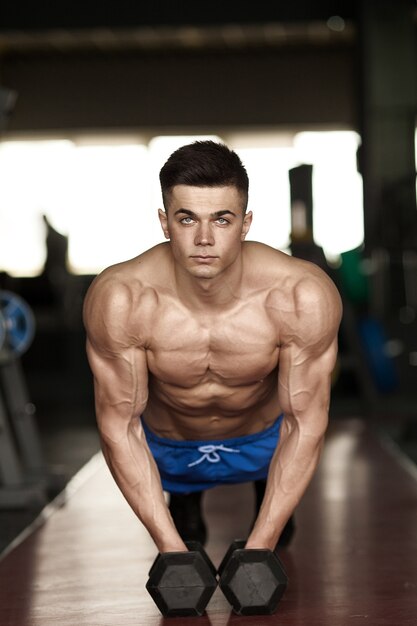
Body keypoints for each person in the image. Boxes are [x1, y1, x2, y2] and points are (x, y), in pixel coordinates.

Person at [83, 140, 342, 556]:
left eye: (222, 219)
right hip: (172, 446)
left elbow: (305, 422)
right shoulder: (122, 299)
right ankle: (184, 499)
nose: (204, 238)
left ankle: (267, 495)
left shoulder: (299, 295)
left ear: (246, 223)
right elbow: (119, 426)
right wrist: (170, 551)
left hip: (264, 441)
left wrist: (259, 548)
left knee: (276, 542)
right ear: (165, 223)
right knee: (186, 540)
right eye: (187, 219)